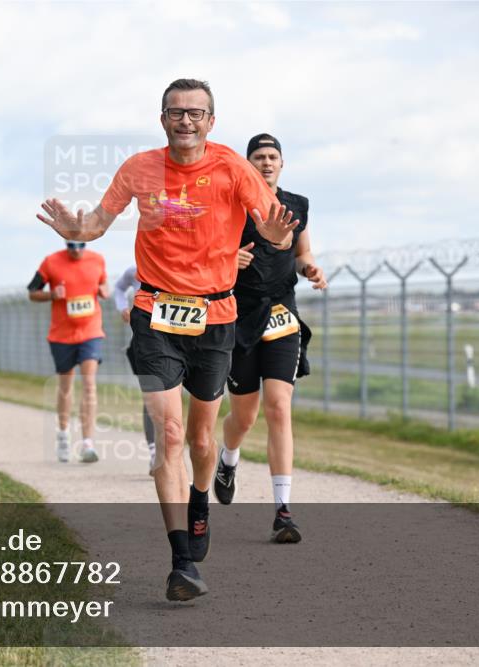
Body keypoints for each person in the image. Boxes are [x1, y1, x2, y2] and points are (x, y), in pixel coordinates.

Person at [37, 78, 297, 601]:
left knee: (202, 440)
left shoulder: (231, 167)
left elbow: (276, 228)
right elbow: (98, 224)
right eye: (176, 113)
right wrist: (79, 229)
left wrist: (276, 236)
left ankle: (201, 497)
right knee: (171, 433)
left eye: (195, 113)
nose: (185, 121)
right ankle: (181, 562)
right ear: (162, 120)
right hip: (154, 313)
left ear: (211, 121)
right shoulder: (138, 168)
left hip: (215, 315)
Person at [216, 133, 327, 543]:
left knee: (279, 407)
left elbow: (302, 253)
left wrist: (311, 269)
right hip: (240, 315)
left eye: (272, 156)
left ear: (282, 164)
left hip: (282, 314)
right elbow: (210, 250)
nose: (265, 162)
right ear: (247, 165)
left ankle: (283, 511)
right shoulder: (232, 202)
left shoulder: (297, 205)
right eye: (258, 157)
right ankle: (228, 460)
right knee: (243, 418)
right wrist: (230, 257)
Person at [28, 241, 109, 464]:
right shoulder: (51, 261)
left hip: (90, 331)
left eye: (81, 245)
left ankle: (87, 444)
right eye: (71, 245)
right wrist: (52, 294)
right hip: (61, 335)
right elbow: (32, 292)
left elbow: (105, 285)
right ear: (66, 243)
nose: (76, 249)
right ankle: (63, 435)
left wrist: (105, 291)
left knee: (89, 383)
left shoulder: (98, 259)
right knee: (66, 386)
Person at [113, 265, 157, 475]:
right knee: (151, 397)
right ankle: (154, 452)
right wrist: (122, 308)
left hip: (177, 340)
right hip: (143, 342)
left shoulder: (178, 266)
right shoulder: (134, 271)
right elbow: (119, 288)